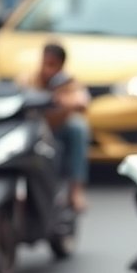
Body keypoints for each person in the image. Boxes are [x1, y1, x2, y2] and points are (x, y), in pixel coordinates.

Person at [21, 42, 91, 211]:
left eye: (52, 65)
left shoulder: (68, 82)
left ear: (61, 66)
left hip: (58, 129)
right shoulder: (29, 79)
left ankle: (76, 189)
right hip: (33, 129)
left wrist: (60, 100)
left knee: (79, 128)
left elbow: (82, 100)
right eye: (45, 63)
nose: (47, 70)